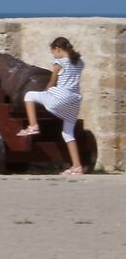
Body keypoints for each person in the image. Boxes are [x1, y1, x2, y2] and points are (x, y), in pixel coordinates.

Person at [19, 37, 88, 177]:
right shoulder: (80, 62)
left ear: (57, 49)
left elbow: (52, 82)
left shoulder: (59, 63)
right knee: (68, 133)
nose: (54, 55)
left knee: (29, 95)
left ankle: (33, 125)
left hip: (60, 97)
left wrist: (45, 92)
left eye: (53, 52)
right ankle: (77, 166)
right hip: (75, 100)